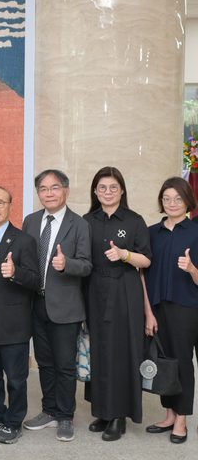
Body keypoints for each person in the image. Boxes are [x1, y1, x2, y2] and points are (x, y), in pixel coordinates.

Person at [82, 167, 152, 441]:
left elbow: (146, 260)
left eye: (113, 187)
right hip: (94, 290)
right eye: (102, 187)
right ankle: (103, 410)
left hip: (125, 291)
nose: (107, 192)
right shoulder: (87, 220)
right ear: (95, 191)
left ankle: (119, 415)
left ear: (122, 190)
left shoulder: (134, 221)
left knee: (122, 352)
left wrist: (125, 254)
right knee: (99, 351)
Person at [22, 169, 92, 442]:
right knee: (44, 362)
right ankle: (49, 410)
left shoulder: (79, 224)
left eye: (54, 188)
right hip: (35, 304)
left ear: (66, 190)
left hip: (65, 306)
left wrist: (66, 265)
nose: (48, 193)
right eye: (43, 188)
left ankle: (65, 415)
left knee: (64, 364)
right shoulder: (30, 221)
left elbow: (87, 264)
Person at [0, 186, 40, 445]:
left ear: (10, 206)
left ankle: (14, 422)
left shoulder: (24, 241)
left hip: (13, 323)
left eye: (0, 202)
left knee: (15, 377)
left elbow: (36, 280)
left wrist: (15, 272)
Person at [143, 177, 198, 444]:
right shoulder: (152, 232)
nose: (172, 203)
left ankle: (182, 419)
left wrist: (191, 269)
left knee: (183, 363)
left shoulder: (196, 232)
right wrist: (148, 312)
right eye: (167, 198)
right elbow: (142, 274)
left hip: (186, 307)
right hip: (157, 307)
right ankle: (168, 414)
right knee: (163, 361)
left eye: (178, 198)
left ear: (188, 201)